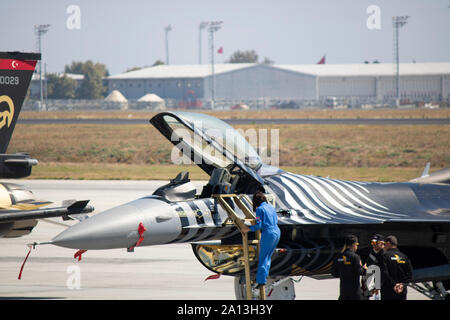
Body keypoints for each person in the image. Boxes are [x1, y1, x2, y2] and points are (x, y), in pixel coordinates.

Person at [242, 191, 280, 288]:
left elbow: (259, 225)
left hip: (268, 234)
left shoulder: (260, 209)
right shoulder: (271, 207)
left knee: (263, 257)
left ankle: (261, 281)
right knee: (268, 256)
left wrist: (248, 228)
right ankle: (263, 277)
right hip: (277, 232)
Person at [331, 235, 367, 300]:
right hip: (355, 292)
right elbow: (360, 272)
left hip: (343, 291)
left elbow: (334, 273)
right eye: (356, 245)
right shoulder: (355, 257)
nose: (357, 247)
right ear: (353, 245)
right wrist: (364, 268)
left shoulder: (338, 256)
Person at [379, 235, 413, 300]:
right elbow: (410, 274)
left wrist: (394, 284)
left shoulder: (384, 256)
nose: (383, 246)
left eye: (384, 244)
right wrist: (403, 284)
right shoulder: (404, 257)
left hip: (388, 291)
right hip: (401, 291)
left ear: (388, 243)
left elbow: (384, 273)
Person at [361, 234, 385, 299]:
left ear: (382, 243)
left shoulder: (385, 254)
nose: (373, 244)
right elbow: (369, 263)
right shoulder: (373, 252)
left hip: (382, 285)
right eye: (372, 242)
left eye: (375, 242)